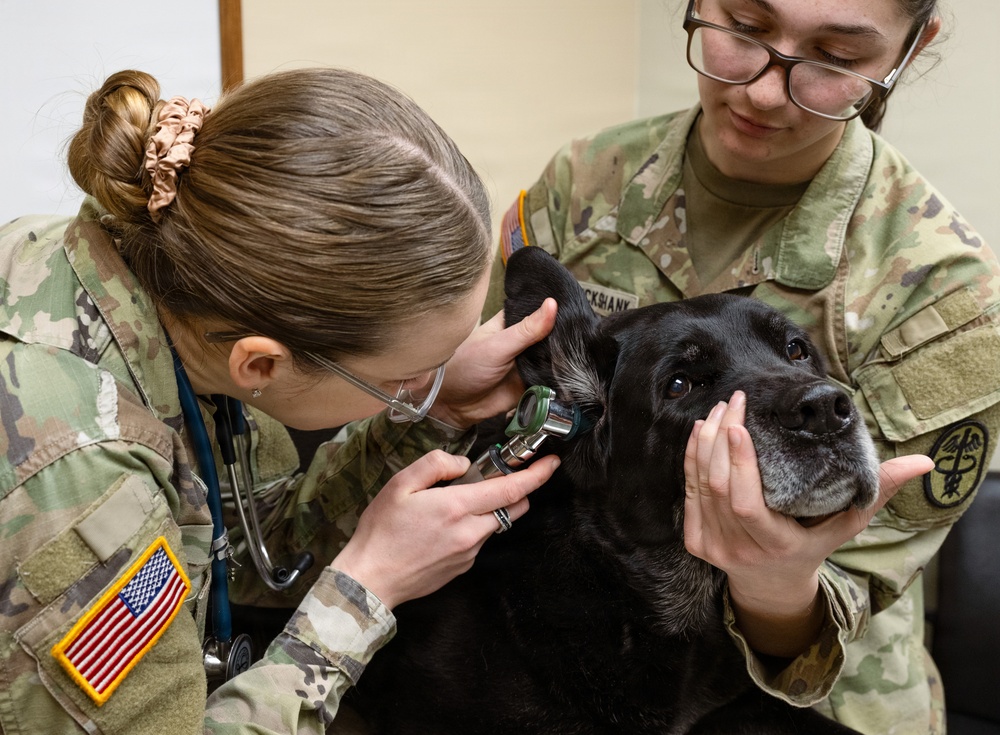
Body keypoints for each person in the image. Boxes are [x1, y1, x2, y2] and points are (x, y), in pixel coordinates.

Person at [483, 0, 1000, 733]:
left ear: (907, 53)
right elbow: (508, 435)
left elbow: (854, 590)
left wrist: (777, 578)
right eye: (745, 28)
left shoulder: (948, 290)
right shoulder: (582, 184)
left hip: (823, 698)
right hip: (569, 669)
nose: (761, 89)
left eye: (835, 56)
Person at [0, 67, 562, 734]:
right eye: (408, 377)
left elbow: (249, 543)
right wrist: (365, 592)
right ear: (261, 363)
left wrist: (432, 410)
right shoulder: (83, 476)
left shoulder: (168, 274)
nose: (423, 387)